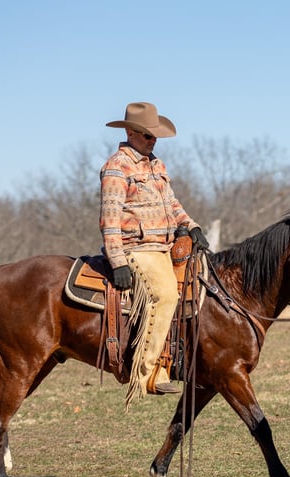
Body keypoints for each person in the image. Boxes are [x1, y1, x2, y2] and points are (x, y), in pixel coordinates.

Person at [100, 102, 209, 401]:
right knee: (165, 295)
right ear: (132, 133)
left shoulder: (156, 165)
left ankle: (172, 362)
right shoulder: (116, 166)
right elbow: (109, 219)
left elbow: (172, 205)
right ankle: (144, 372)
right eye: (148, 135)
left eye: (155, 135)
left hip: (165, 244)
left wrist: (192, 225)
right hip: (137, 248)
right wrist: (118, 260)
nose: (154, 140)